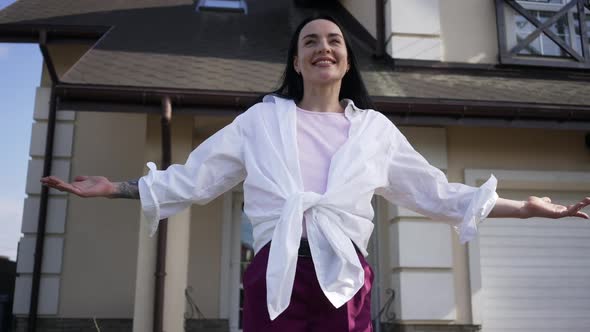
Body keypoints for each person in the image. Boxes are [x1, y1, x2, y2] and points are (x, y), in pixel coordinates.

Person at [41, 15, 589, 332]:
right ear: (297, 62)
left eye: (334, 41)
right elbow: (194, 178)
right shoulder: (261, 121)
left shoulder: (373, 130)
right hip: (272, 272)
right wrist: (115, 186)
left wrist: (524, 207)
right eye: (310, 42)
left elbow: (435, 192)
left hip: (343, 279)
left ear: (346, 62)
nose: (323, 47)